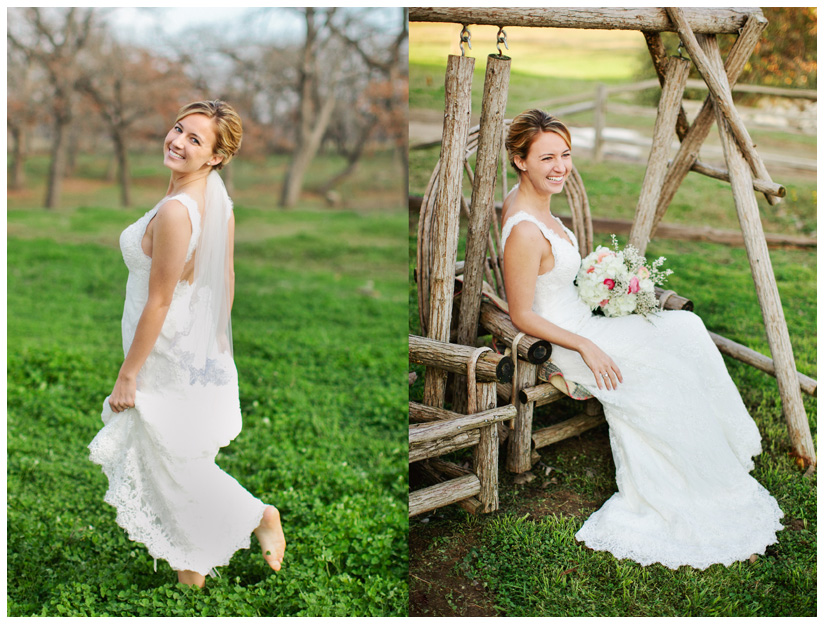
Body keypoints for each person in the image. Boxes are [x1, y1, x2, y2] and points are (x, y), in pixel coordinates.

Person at [500, 109, 783, 570]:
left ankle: (724, 447)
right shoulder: (525, 231)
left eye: (565, 154)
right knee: (664, 375)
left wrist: (607, 284)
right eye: (546, 157)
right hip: (569, 344)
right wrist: (586, 346)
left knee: (686, 330)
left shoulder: (528, 199)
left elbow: (556, 278)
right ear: (520, 161)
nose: (560, 167)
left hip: (585, 321)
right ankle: (697, 493)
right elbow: (522, 313)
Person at [88, 100, 286, 588]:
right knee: (173, 459)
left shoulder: (179, 211)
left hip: (165, 349)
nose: (178, 141)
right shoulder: (215, 201)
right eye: (179, 129)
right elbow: (226, 277)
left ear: (215, 157)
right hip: (191, 342)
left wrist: (128, 374)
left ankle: (258, 517)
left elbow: (158, 301)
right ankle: (192, 572)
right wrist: (215, 334)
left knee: (169, 458)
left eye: (195, 140)